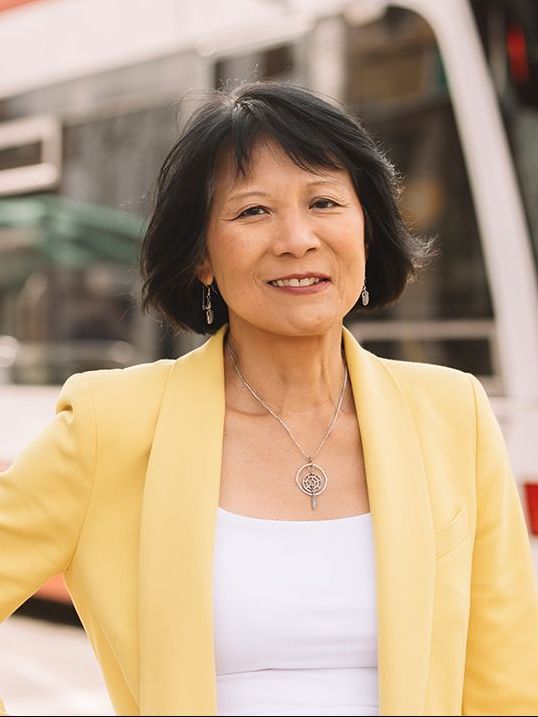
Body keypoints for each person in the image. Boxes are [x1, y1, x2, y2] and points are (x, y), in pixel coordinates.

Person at [1, 81, 537, 717]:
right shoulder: (109, 425)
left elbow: (508, 685)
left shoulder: (453, 412)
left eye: (325, 202)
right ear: (201, 255)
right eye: (253, 211)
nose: (298, 239)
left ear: (366, 229)